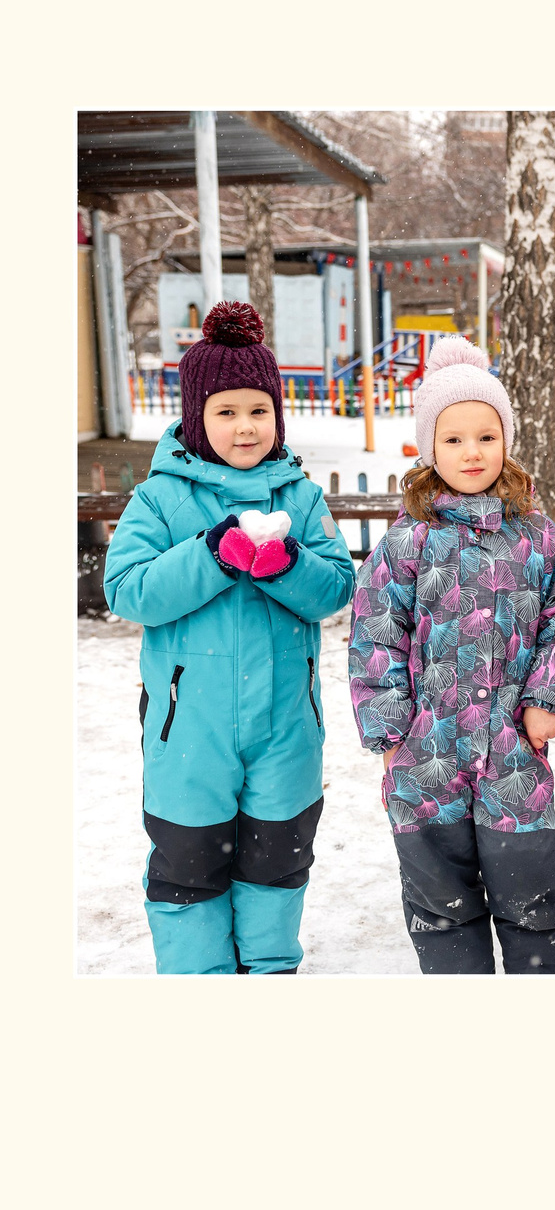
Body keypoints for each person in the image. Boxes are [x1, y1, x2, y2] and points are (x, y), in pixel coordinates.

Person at [104, 302, 356, 973]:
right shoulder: (159, 498)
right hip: (189, 732)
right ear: (195, 416)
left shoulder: (298, 496)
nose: (245, 427)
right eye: (225, 411)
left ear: (277, 414)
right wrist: (212, 555)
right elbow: (127, 588)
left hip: (285, 731)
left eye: (258, 410)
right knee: (188, 870)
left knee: (276, 860)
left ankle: (269, 970)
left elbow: (335, 587)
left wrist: (285, 565)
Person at [350, 339, 555, 973]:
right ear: (430, 448)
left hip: (513, 747)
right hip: (427, 753)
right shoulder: (407, 540)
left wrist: (544, 699)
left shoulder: (536, 534)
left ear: (506, 440)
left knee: (530, 889)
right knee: (440, 900)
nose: (472, 452)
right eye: (453, 440)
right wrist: (392, 732)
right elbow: (375, 634)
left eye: (486, 436)